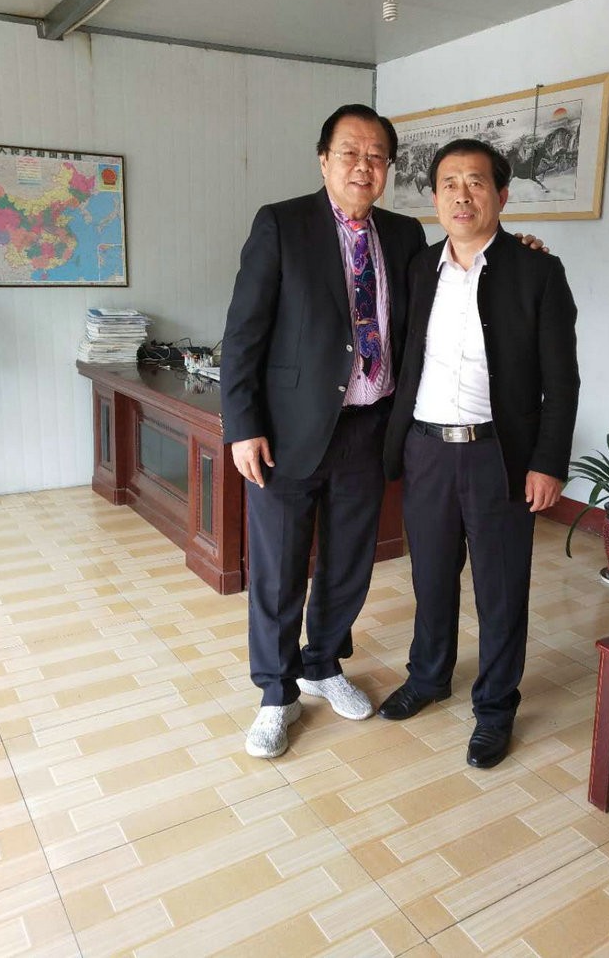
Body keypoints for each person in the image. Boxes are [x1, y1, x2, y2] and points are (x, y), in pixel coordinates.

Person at [221, 106, 545, 759]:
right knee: (280, 569)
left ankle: (322, 663)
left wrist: (518, 256)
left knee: (347, 563)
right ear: (324, 160)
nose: (363, 166)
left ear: (389, 168)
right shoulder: (281, 224)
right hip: (289, 432)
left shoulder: (403, 235)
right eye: (350, 152)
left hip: (370, 428)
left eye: (376, 156)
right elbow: (243, 332)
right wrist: (243, 424)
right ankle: (276, 693)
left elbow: (455, 283)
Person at [379, 138, 580, 770]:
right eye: (448, 184)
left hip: (499, 456)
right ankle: (428, 677)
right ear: (435, 197)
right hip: (426, 451)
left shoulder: (537, 271)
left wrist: (548, 463)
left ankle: (495, 708)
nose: (461, 195)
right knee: (431, 578)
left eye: (475, 182)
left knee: (501, 589)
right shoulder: (418, 268)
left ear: (502, 194)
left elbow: (563, 381)